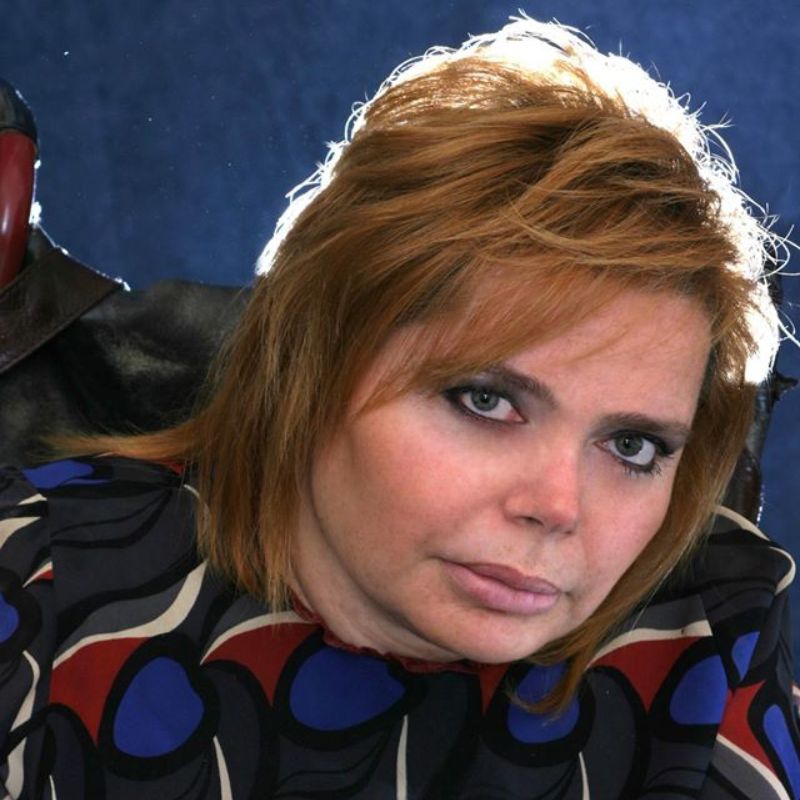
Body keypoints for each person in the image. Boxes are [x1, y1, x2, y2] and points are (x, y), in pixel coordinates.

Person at [0, 15, 798, 799]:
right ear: (311, 361)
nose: (558, 508)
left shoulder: (707, 634)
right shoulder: (39, 580)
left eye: (631, 446)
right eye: (486, 401)